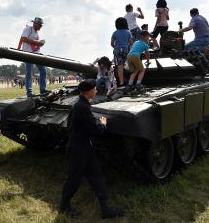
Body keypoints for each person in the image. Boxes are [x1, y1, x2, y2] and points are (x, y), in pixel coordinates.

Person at [59, 79, 123, 219]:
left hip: (83, 147)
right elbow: (94, 129)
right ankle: (63, 207)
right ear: (88, 92)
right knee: (74, 179)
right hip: (79, 149)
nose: (96, 90)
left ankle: (106, 209)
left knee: (96, 175)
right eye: (94, 89)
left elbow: (70, 127)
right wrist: (103, 124)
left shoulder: (79, 104)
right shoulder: (83, 107)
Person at [17, 17, 47, 97]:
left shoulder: (36, 33)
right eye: (39, 25)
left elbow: (34, 44)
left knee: (43, 71)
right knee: (29, 73)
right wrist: (37, 43)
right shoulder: (28, 29)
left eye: (41, 25)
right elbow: (23, 39)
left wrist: (39, 43)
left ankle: (43, 90)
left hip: (36, 54)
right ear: (34, 24)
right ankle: (29, 92)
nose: (41, 26)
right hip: (28, 54)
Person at [111, 17, 133, 87]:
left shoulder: (115, 33)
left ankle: (121, 82)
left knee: (119, 67)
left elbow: (112, 43)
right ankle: (130, 80)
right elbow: (131, 42)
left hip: (117, 50)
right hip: (125, 50)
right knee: (126, 65)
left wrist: (115, 48)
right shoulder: (128, 32)